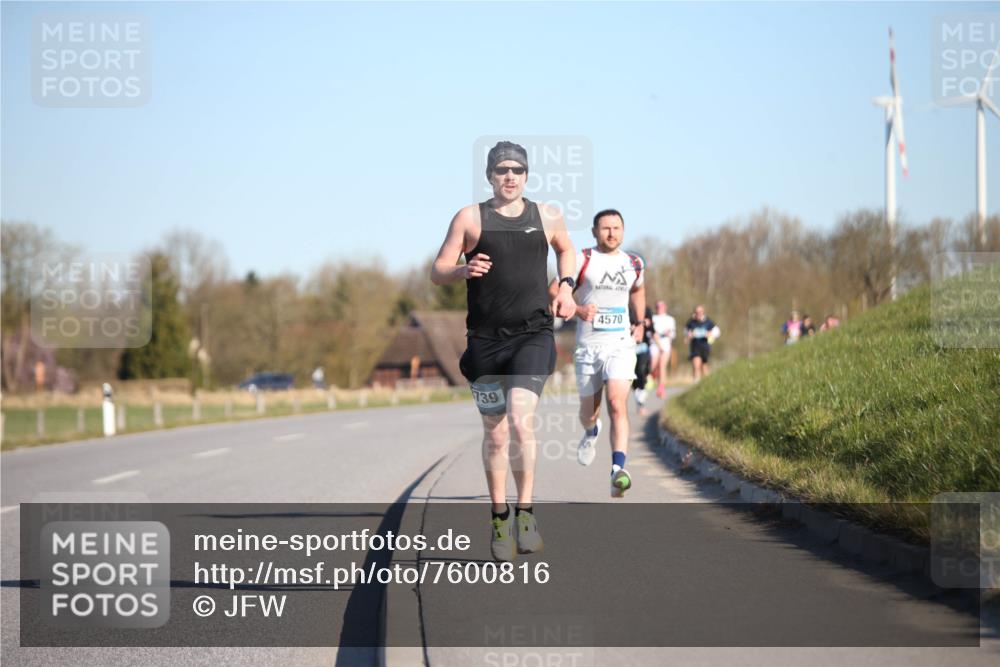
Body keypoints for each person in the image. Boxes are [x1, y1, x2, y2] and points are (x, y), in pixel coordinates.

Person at [431, 141, 576, 561]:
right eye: (501, 170)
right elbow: (437, 269)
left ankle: (526, 512)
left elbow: (567, 249)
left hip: (533, 334)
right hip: (484, 342)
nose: (509, 176)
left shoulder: (546, 215)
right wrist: (461, 269)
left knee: (519, 419)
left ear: (527, 175)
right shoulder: (469, 218)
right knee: (495, 433)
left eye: (517, 169)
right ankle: (499, 515)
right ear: (490, 176)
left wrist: (565, 286)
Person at [559, 209, 645, 498]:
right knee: (589, 413)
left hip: (620, 344)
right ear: (595, 232)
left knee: (617, 403)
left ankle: (617, 470)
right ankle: (591, 432)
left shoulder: (634, 262)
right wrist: (579, 309)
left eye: (617, 228)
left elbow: (638, 290)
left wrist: (641, 322)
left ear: (623, 230)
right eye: (606, 228)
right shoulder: (582, 259)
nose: (612, 233)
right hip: (588, 348)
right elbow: (553, 292)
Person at [685, 305, 719, 382]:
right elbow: (686, 333)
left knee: (704, 366)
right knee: (696, 364)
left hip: (705, 346)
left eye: (700, 312)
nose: (698, 313)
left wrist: (710, 334)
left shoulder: (708, 322)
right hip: (695, 346)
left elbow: (717, 332)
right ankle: (695, 383)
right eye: (697, 312)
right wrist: (689, 335)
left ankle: (706, 384)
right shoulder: (691, 322)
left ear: (703, 312)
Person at [650, 300, 676, 398]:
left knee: (662, 366)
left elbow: (673, 334)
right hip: (654, 344)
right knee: (653, 365)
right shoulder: (653, 318)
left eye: (661, 306)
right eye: (657, 306)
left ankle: (661, 388)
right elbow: (650, 333)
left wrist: (669, 334)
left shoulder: (670, 319)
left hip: (665, 343)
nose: (659, 308)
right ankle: (652, 377)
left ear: (665, 307)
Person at [631, 306, 654, 415]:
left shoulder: (647, 310)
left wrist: (641, 323)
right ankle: (640, 402)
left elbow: (651, 326)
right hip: (630, 347)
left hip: (643, 346)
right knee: (633, 377)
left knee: (641, 371)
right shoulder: (626, 308)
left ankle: (641, 402)